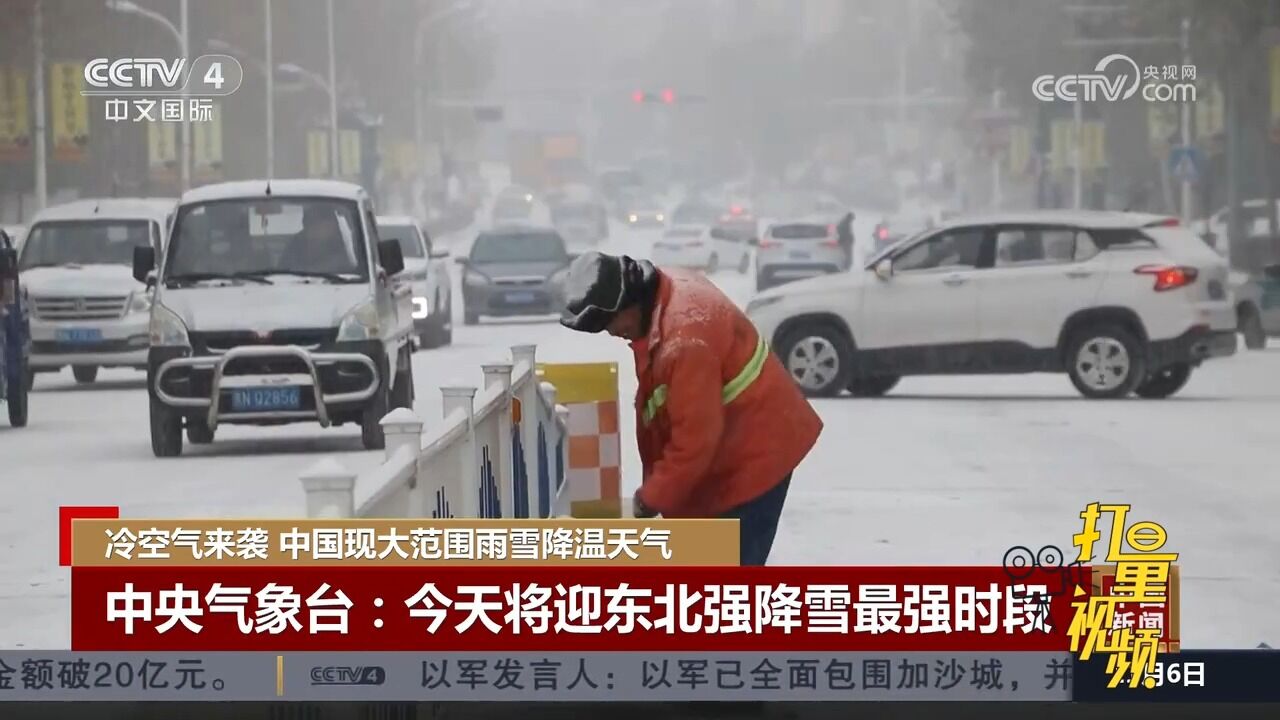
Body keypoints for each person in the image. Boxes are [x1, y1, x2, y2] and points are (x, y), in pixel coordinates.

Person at [559, 251, 823, 566]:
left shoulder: (685, 343)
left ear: (629, 304)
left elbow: (693, 444)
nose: (613, 333)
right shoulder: (664, 293)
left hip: (758, 455)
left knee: (730, 570)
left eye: (610, 323)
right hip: (737, 439)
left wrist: (649, 500)